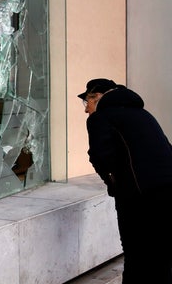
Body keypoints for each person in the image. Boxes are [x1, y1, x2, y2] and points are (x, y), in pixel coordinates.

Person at [79, 78, 172, 283]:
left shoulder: (100, 118)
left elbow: (100, 157)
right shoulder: (143, 114)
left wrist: (115, 187)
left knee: (135, 253)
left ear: (99, 97)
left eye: (88, 102)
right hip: (168, 191)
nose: (86, 109)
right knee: (162, 253)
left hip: (138, 197)